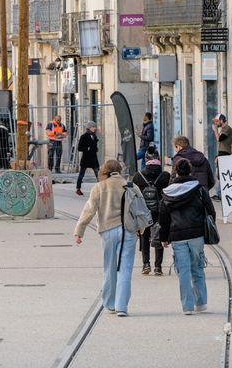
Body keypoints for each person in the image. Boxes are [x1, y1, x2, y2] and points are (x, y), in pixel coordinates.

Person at [73, 159, 137, 317]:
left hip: (108, 230)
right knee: (125, 268)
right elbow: (140, 208)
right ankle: (122, 306)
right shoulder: (130, 186)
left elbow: (89, 210)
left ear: (104, 171)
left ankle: (110, 303)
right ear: (119, 170)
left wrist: (79, 231)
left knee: (109, 268)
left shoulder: (99, 187)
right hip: (128, 230)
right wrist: (141, 228)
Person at [159, 158, 216, 315]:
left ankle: (187, 306)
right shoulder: (198, 189)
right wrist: (207, 231)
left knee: (183, 271)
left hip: (177, 236)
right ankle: (201, 302)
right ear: (190, 171)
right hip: (196, 234)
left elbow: (163, 218)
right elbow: (211, 211)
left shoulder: (167, 192)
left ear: (176, 171)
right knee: (197, 268)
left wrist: (164, 237)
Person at [132, 146, 170, 276]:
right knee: (158, 236)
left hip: (144, 212)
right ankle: (158, 267)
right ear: (158, 159)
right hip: (160, 211)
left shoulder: (138, 176)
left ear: (145, 159)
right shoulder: (165, 176)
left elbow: (133, 197)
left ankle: (146, 264)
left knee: (144, 236)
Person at [210, 113, 232, 201]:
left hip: (225, 153)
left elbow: (220, 139)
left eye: (217, 121)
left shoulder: (227, 128)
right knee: (220, 174)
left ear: (222, 120)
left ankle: (219, 194)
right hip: (222, 153)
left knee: (221, 174)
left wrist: (215, 130)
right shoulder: (223, 129)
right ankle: (219, 193)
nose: (215, 123)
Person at [75, 121, 100, 196]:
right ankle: (78, 189)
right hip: (86, 159)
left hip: (93, 159)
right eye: (93, 127)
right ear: (89, 128)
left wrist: (96, 149)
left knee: (98, 174)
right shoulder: (84, 136)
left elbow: (94, 146)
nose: (95, 128)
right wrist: (87, 149)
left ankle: (101, 189)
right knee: (81, 174)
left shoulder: (94, 136)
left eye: (95, 127)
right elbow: (79, 148)